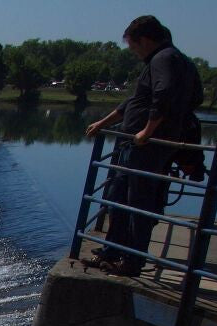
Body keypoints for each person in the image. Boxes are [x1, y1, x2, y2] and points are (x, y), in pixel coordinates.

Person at [84, 15, 203, 277]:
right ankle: (113, 251)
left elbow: (163, 95)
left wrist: (147, 131)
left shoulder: (164, 60)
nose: (133, 52)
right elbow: (137, 101)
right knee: (119, 197)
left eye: (133, 46)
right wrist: (104, 122)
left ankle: (132, 261)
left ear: (146, 40)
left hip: (145, 146)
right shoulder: (174, 60)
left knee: (137, 203)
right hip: (140, 143)